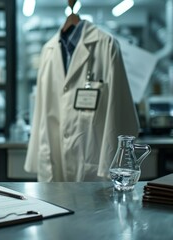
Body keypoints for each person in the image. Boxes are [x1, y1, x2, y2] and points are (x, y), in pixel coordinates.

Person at [24, 17, 139, 182]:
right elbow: (40, 108)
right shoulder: (48, 50)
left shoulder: (106, 45)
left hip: (91, 165)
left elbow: (120, 112)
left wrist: (113, 167)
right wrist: (36, 158)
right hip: (54, 163)